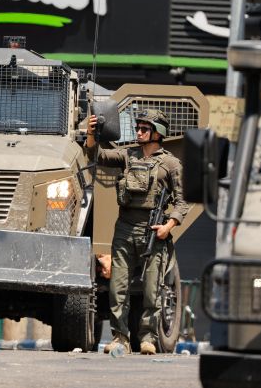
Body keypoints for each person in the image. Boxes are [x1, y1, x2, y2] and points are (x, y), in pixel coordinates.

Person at [85, 109, 188, 355]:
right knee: (117, 287)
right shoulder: (127, 155)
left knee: (152, 290)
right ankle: (120, 337)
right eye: (138, 128)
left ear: (158, 133)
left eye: (144, 129)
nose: (139, 132)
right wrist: (91, 134)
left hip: (153, 231)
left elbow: (183, 202)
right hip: (125, 228)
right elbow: (96, 155)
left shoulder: (171, 164)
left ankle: (148, 338)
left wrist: (168, 226)